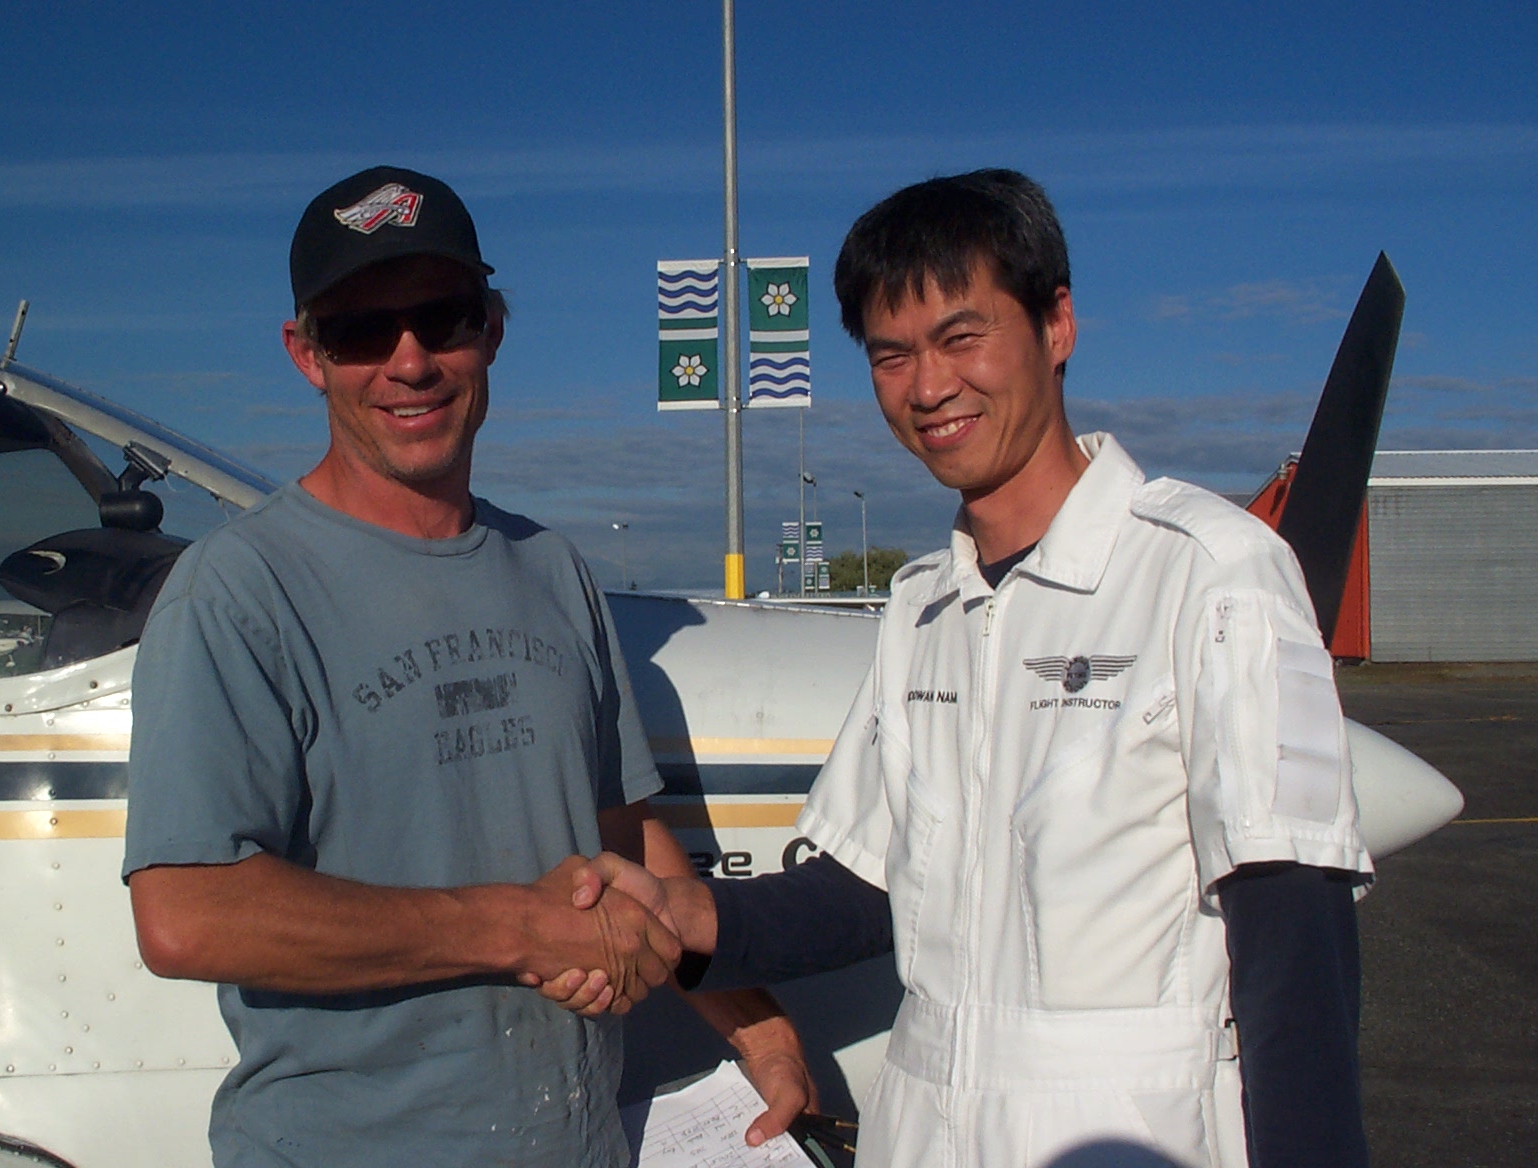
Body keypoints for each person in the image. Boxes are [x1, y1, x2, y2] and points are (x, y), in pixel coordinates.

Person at [561, 169, 1375, 1168]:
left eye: (961, 335)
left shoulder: (1208, 574)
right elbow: (865, 886)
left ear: (1056, 323)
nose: (927, 386)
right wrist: (689, 914)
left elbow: (1294, 949)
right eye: (889, 354)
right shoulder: (919, 608)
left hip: (1129, 1133)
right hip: (927, 1127)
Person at [122, 165, 809, 1168]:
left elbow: (623, 844)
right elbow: (185, 914)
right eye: (361, 331)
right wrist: (517, 928)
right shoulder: (236, 590)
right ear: (305, 354)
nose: (408, 362)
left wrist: (756, 1026)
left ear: (489, 327)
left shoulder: (552, 569)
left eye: (440, 318)